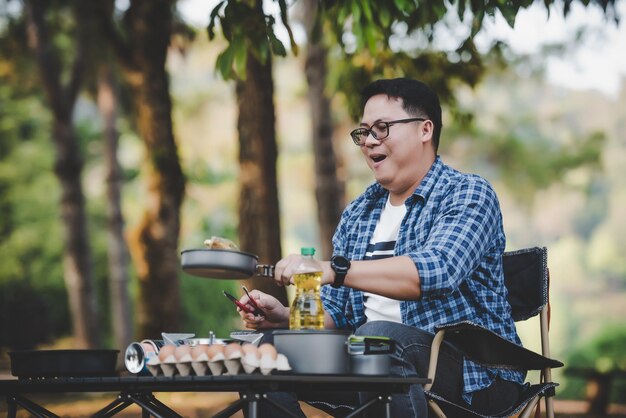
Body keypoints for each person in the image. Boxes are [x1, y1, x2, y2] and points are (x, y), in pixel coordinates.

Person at [238, 77, 526, 417]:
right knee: (265, 354)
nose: (369, 141)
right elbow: (339, 312)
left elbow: (439, 270)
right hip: (373, 364)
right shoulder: (360, 213)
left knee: (376, 339)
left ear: (425, 130)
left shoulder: (468, 194)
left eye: (383, 128)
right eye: (363, 132)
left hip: (474, 377)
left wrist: (336, 269)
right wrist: (285, 319)